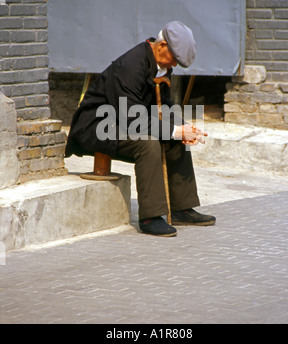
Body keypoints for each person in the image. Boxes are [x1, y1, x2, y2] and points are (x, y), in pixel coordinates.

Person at [65, 21, 216, 237]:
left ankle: (182, 207)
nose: (173, 65)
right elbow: (133, 120)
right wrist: (174, 131)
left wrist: (182, 128)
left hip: (125, 120)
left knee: (175, 136)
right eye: (174, 58)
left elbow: (163, 105)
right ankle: (150, 217)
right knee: (149, 144)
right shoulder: (130, 66)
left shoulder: (163, 65)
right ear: (162, 45)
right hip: (98, 125)